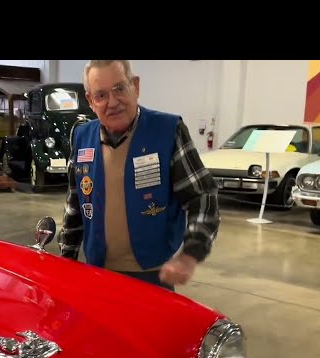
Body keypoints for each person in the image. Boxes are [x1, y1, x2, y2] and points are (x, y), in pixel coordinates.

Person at [57, 60, 220, 291]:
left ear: (136, 86)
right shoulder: (82, 136)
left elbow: (202, 195)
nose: (112, 103)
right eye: (101, 95)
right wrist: (67, 260)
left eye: (119, 89)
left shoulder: (167, 131)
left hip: (153, 276)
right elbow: (75, 204)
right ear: (90, 101)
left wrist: (191, 253)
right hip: (97, 273)